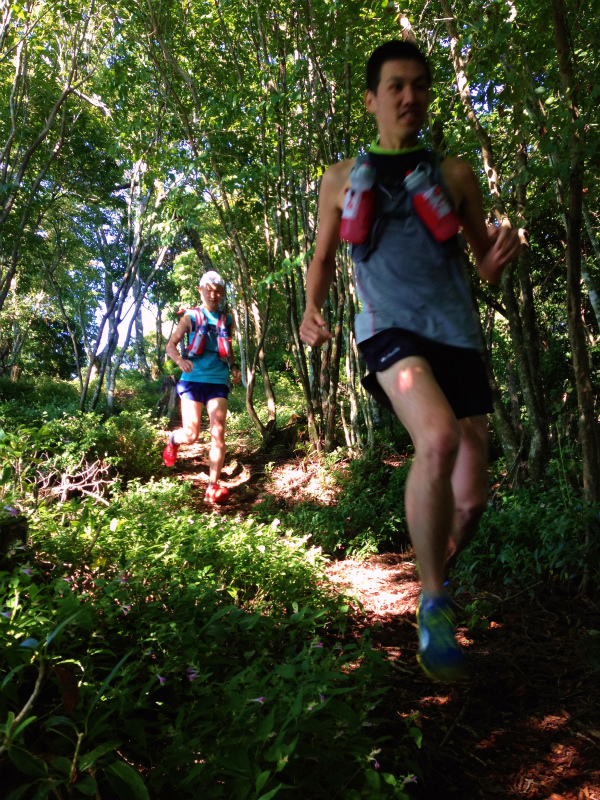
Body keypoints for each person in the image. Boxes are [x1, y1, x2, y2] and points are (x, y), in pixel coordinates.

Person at [299, 40, 520, 682]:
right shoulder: (340, 178)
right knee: (437, 436)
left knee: (473, 499)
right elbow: (320, 257)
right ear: (371, 99)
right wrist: (313, 310)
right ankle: (433, 602)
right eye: (396, 85)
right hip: (387, 332)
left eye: (420, 85)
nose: (409, 96)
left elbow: (481, 262)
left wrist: (498, 256)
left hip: (456, 333)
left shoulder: (453, 175)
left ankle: (437, 572)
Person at [163, 270, 237, 504]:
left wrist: (234, 367)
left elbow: (228, 347)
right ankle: (174, 440)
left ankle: (212, 486)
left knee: (218, 432)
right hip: (192, 380)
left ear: (222, 293)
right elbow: (171, 345)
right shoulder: (190, 317)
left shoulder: (228, 319)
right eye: (209, 290)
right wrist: (179, 361)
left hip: (217, 380)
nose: (214, 295)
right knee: (192, 435)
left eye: (218, 292)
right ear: (201, 290)